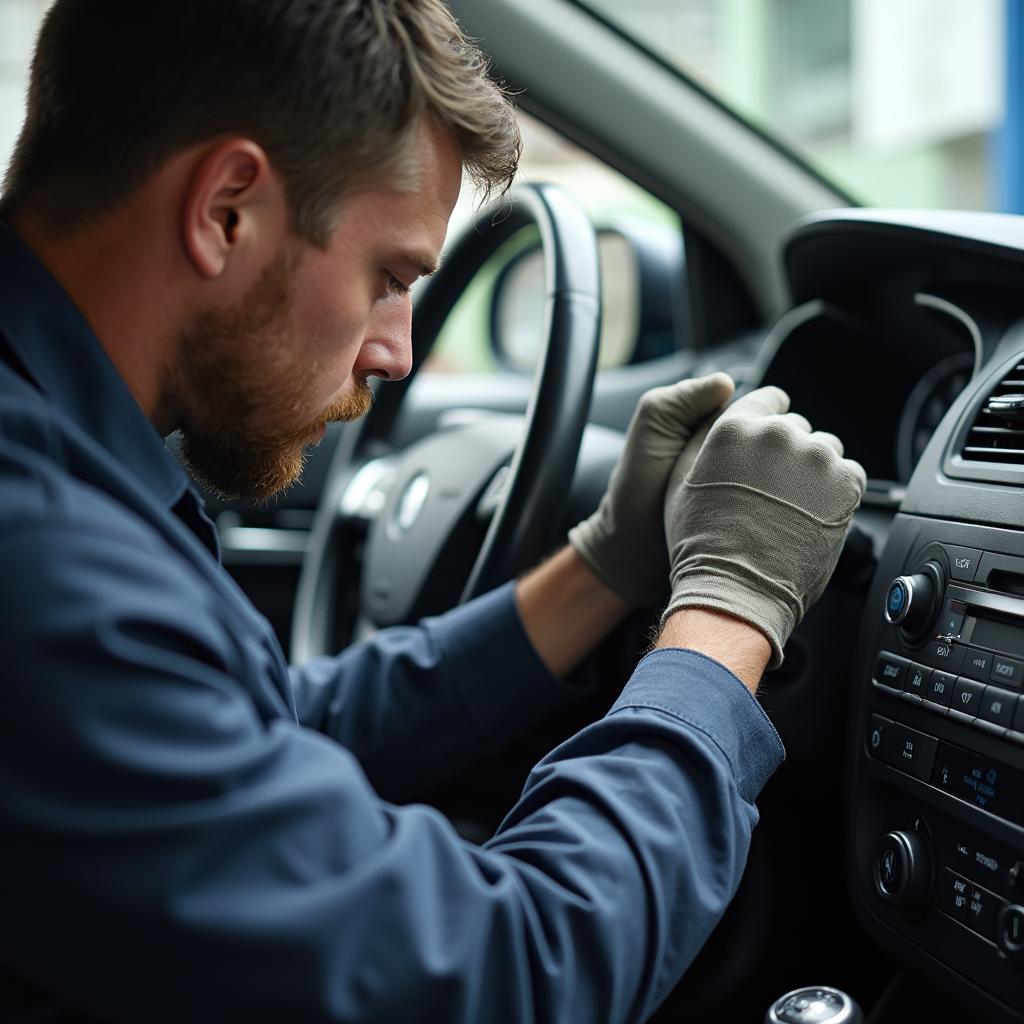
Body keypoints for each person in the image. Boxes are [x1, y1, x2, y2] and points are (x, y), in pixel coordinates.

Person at [0, 2, 866, 1021]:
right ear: (226, 208)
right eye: (389, 277)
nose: (397, 352)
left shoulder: (59, 454)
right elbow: (502, 973)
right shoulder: (40, 553)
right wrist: (731, 611)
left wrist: (603, 564)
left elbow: (263, 729)